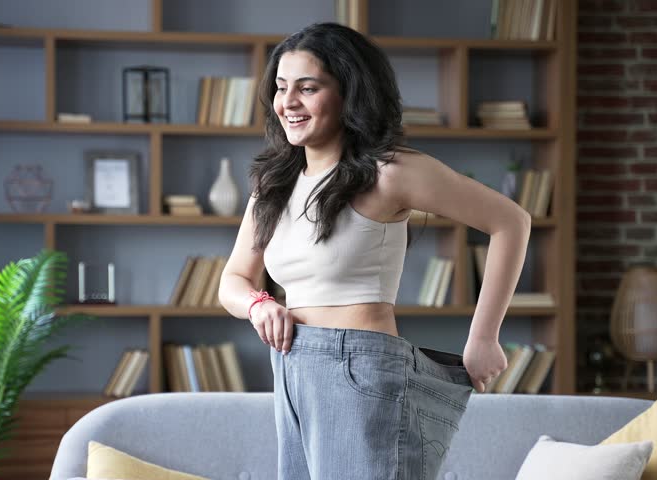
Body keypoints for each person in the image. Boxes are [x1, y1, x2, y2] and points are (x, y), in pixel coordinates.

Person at [218, 22, 531, 480]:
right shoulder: (274, 183)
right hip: (291, 366)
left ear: (349, 92)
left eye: (308, 88)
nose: (288, 102)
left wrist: (483, 337)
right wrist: (259, 305)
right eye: (282, 88)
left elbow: (511, 222)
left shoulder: (390, 173)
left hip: (360, 368)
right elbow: (233, 281)